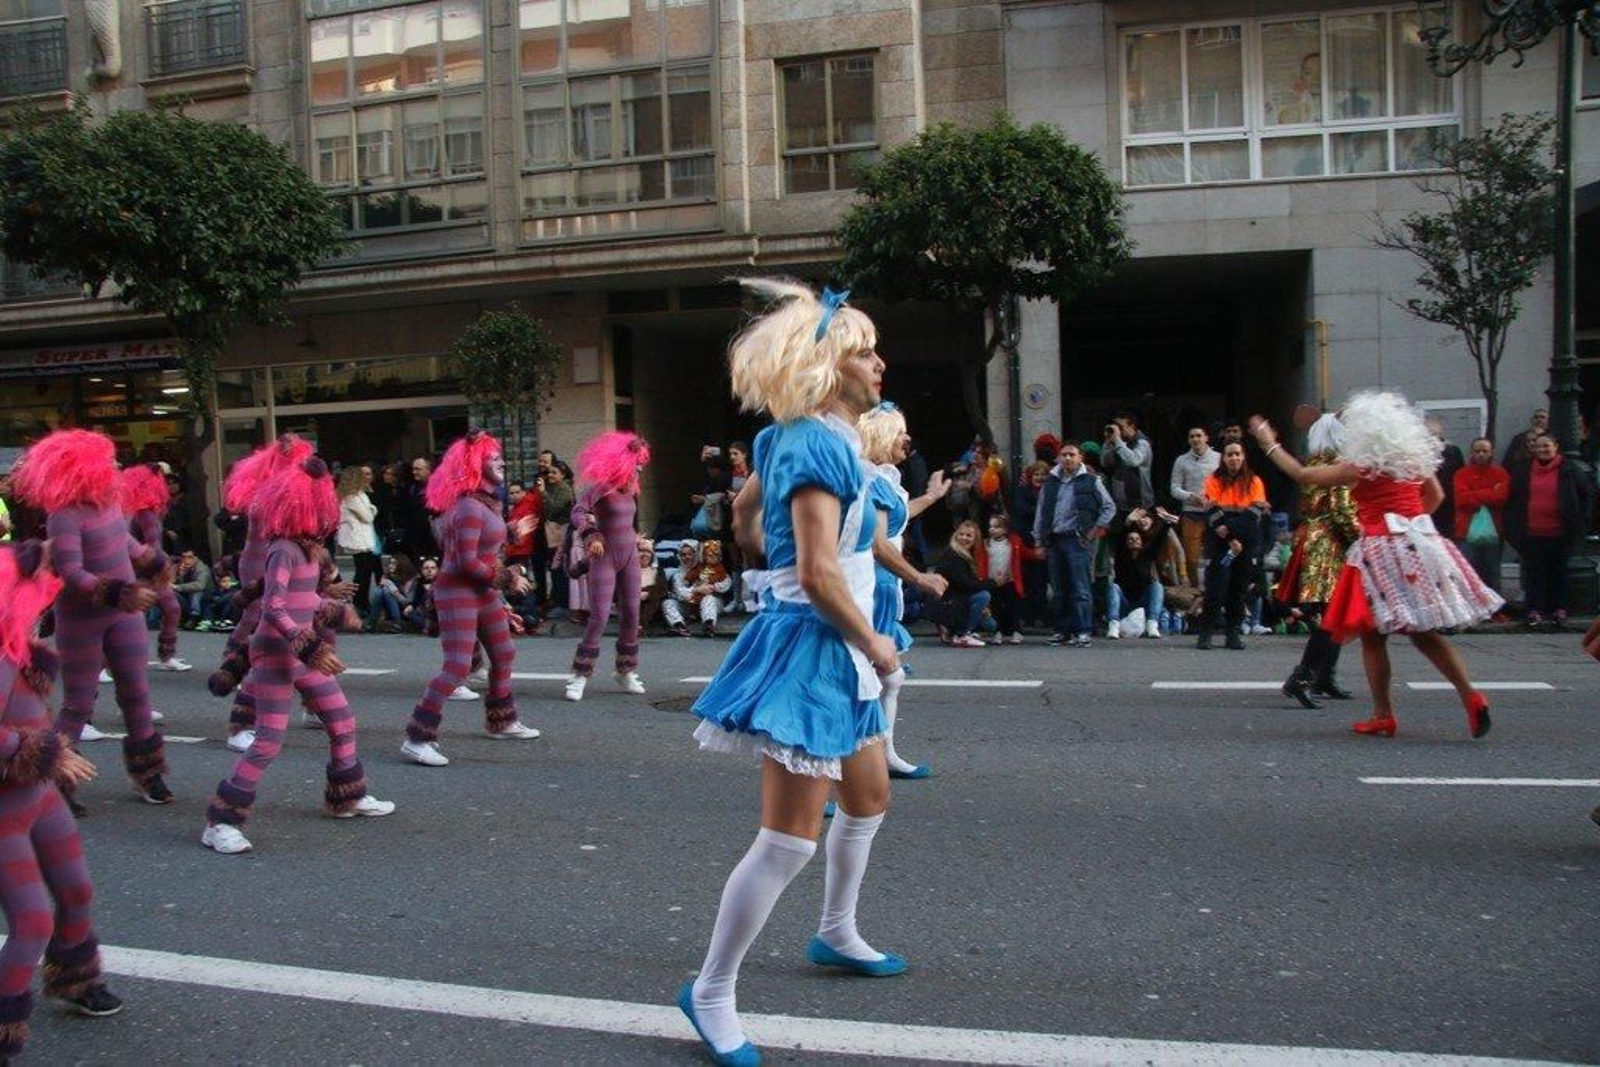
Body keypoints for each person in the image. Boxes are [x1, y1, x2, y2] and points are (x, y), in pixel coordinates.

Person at [683, 280, 903, 1066]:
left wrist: (758, 536)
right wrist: (874, 643)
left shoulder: (803, 437)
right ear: (830, 364)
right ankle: (710, 991)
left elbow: (743, 520)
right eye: (864, 351)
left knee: (870, 793)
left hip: (837, 639)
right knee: (787, 841)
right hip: (819, 642)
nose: (879, 363)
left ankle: (836, 930)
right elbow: (814, 571)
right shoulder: (813, 441)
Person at [1251, 391, 1502, 738]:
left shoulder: (1363, 466)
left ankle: (1383, 713)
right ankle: (1470, 695)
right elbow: (1436, 497)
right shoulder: (1413, 461)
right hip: (1418, 544)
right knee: (1423, 633)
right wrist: (1410, 526)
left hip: (1378, 550)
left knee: (1373, 635)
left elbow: (1304, 476)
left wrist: (1269, 443)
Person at [201, 455, 395, 854]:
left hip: (302, 656)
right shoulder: (284, 550)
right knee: (268, 742)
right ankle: (220, 822)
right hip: (276, 655)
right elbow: (274, 609)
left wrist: (336, 608)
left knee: (342, 721)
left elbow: (304, 599)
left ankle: (346, 796)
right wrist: (309, 644)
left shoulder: (312, 552)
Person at [0, 541, 125, 1056]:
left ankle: (75, 977)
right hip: (5, 811)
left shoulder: (16, 645)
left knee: (77, 892)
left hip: (40, 796)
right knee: (32, 921)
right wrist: (42, 751)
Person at [14, 430, 170, 807]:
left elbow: (125, 544)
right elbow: (70, 572)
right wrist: (119, 591)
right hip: (83, 617)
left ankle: (148, 773)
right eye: (107, 461)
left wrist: (152, 559)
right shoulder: (64, 515)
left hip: (123, 615)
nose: (115, 467)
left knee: (136, 691)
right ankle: (55, 782)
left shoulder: (113, 504)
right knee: (79, 703)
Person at [401, 431, 540, 768]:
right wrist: (508, 578)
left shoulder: (484, 503)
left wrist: (509, 533)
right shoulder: (467, 507)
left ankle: (501, 720)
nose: (502, 462)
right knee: (457, 666)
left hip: (483, 590)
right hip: (458, 591)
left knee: (504, 652)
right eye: (494, 459)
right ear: (477, 466)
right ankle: (417, 738)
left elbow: (483, 545)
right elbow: (465, 561)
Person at [858, 402, 950, 777]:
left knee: (883, 679)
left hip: (883, 586)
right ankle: (848, 769)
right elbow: (879, 544)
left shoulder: (884, 478)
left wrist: (932, 497)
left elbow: (898, 515)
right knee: (870, 680)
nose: (907, 438)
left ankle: (882, 758)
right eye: (899, 431)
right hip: (873, 588)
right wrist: (920, 577)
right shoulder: (871, 480)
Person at [1277, 412, 1360, 707]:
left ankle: (1323, 676)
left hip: (1311, 540)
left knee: (1330, 615)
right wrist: (1363, 537)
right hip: (1330, 548)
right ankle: (1304, 678)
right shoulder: (1339, 466)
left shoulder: (1314, 463)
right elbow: (1342, 512)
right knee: (1331, 617)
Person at [563, 432, 652, 701]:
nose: (639, 467)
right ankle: (579, 674)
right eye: (636, 462)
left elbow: (627, 522)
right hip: (605, 557)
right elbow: (577, 512)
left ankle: (625, 670)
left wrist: (637, 539)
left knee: (633, 614)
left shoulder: (632, 486)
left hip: (629, 557)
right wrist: (592, 535)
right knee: (599, 616)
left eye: (641, 463)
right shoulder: (602, 487)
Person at [1505, 433, 1589, 629]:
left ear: (1556, 446)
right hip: (1532, 533)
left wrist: (1581, 523)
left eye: (1547, 446)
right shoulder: (1523, 471)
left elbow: (1586, 496)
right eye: (1539, 446)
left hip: (1561, 533)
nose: (1542, 450)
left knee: (1558, 573)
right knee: (1535, 574)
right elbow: (1514, 500)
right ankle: (1535, 610)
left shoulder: (1570, 469)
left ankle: (1559, 609)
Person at [1035, 443, 1114, 647]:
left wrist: (1096, 529)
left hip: (1078, 540)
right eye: (1064, 455)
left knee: (1080, 588)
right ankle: (1062, 630)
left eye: (1072, 455)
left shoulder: (1091, 480)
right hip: (1055, 539)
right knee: (1059, 588)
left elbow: (1108, 507)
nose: (1068, 458)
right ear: (1058, 458)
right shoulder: (1051, 482)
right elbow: (1041, 511)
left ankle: (1083, 631)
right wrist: (1039, 540)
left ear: (1080, 458)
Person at [117, 462, 191, 673]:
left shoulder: (143, 511)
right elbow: (152, 546)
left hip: (148, 570)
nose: (168, 484)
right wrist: (163, 566)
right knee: (129, 616)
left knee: (167, 609)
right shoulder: (145, 514)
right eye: (165, 479)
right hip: (147, 572)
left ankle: (166, 656)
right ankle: (103, 663)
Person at [1196, 441, 1268, 651]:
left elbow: (1254, 513)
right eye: (1229, 455)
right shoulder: (1213, 479)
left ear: (1243, 456)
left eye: (1237, 454)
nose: (1234, 458)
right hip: (1220, 542)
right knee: (1215, 589)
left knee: (1238, 589)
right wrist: (1231, 540)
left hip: (1246, 540)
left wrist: (1232, 534)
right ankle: (1206, 632)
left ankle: (1233, 633)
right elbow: (1211, 510)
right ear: (1223, 458)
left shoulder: (1255, 481)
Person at [1452, 436, 1511, 597]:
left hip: (1494, 530)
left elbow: (1502, 498)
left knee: (1492, 573)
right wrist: (1490, 492)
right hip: (1465, 531)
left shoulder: (1500, 473)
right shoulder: (1461, 474)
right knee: (1468, 573)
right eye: (1477, 451)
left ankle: (1495, 609)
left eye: (1485, 451)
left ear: (1491, 452)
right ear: (1471, 452)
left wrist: (1475, 494)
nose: (1481, 454)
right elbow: (1463, 500)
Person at [1169, 426, 1220, 587]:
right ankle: (1195, 592)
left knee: (1216, 554)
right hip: (1191, 513)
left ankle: (1215, 590)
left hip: (1215, 512)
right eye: (1192, 436)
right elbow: (1174, 488)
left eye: (1199, 435)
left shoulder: (1219, 458)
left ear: (1206, 438)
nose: (1196, 439)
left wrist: (1212, 498)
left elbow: (1226, 484)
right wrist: (1190, 497)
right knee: (1191, 558)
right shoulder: (1181, 460)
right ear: (1188, 440)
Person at [932, 521, 994, 647]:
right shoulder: (953, 555)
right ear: (956, 535)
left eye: (969, 535)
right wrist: (993, 583)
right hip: (949, 602)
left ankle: (951, 630)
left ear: (975, 538)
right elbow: (965, 585)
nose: (964, 538)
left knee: (990, 625)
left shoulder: (966, 554)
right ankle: (962, 634)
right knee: (983, 596)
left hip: (958, 598)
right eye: (961, 534)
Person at [336, 464, 380, 619]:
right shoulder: (351, 498)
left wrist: (371, 510)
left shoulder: (360, 494)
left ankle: (363, 602)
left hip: (364, 537)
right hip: (357, 539)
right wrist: (373, 509)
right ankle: (357, 602)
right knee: (362, 573)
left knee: (366, 572)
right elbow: (368, 515)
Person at [976, 513, 1027, 643]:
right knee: (996, 606)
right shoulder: (986, 543)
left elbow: (1025, 553)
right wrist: (982, 579)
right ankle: (998, 632)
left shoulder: (1014, 541)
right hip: (992, 581)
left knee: (1013, 606)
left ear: (1005, 529)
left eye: (996, 527)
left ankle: (1016, 631)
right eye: (990, 526)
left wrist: (1038, 554)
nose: (992, 529)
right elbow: (980, 562)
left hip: (1010, 580)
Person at [1102, 411, 1155, 514]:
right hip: (1121, 503)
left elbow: (1133, 461)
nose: (1118, 431)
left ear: (1131, 426)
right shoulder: (1118, 442)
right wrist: (1108, 442)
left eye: (1121, 427)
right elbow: (1105, 463)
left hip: (1140, 504)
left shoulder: (1142, 443)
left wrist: (1117, 441)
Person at [170, 549, 212, 628]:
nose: (186, 560)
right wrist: (181, 575)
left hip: (204, 597)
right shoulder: (179, 566)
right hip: (186, 596)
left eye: (190, 557)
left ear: (195, 558)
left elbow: (200, 585)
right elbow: (171, 583)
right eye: (184, 557)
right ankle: (176, 617)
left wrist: (178, 587)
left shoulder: (202, 568)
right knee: (171, 592)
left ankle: (194, 617)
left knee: (196, 591)